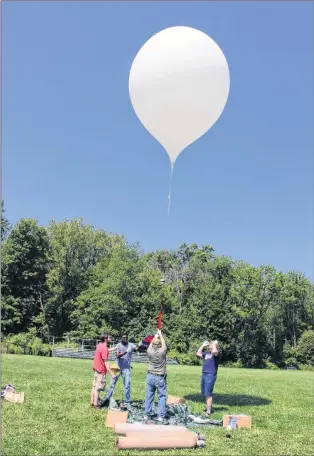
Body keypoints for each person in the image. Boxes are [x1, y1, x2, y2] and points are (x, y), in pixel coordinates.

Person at [104, 334, 137, 406]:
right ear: (121, 338)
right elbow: (118, 355)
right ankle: (107, 398)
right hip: (116, 366)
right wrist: (126, 352)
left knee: (127, 384)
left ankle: (127, 401)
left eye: (126, 337)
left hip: (126, 368)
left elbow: (137, 348)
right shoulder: (118, 345)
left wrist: (142, 344)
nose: (125, 339)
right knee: (112, 384)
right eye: (123, 337)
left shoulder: (131, 345)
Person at [144, 329, 168, 423]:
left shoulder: (149, 351)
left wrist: (155, 336)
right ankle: (161, 416)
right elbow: (164, 343)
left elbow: (151, 344)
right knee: (161, 396)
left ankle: (147, 414)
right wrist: (160, 334)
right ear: (159, 344)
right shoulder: (162, 351)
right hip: (160, 377)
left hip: (150, 376)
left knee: (149, 395)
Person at [91, 334, 116, 408]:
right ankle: (96, 405)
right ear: (106, 339)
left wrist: (114, 348)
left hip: (96, 369)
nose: (111, 339)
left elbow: (104, 351)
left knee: (94, 386)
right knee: (98, 388)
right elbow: (106, 363)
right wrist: (112, 374)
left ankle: (92, 402)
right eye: (110, 337)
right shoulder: (104, 347)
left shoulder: (99, 345)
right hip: (101, 371)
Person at [196, 340, 219, 415]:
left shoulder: (216, 353)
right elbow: (198, 353)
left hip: (211, 374)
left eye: (211, 343)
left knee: (208, 392)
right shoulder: (207, 353)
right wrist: (203, 345)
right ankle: (210, 408)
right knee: (205, 392)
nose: (209, 344)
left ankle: (208, 411)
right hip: (204, 374)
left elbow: (215, 351)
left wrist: (215, 344)